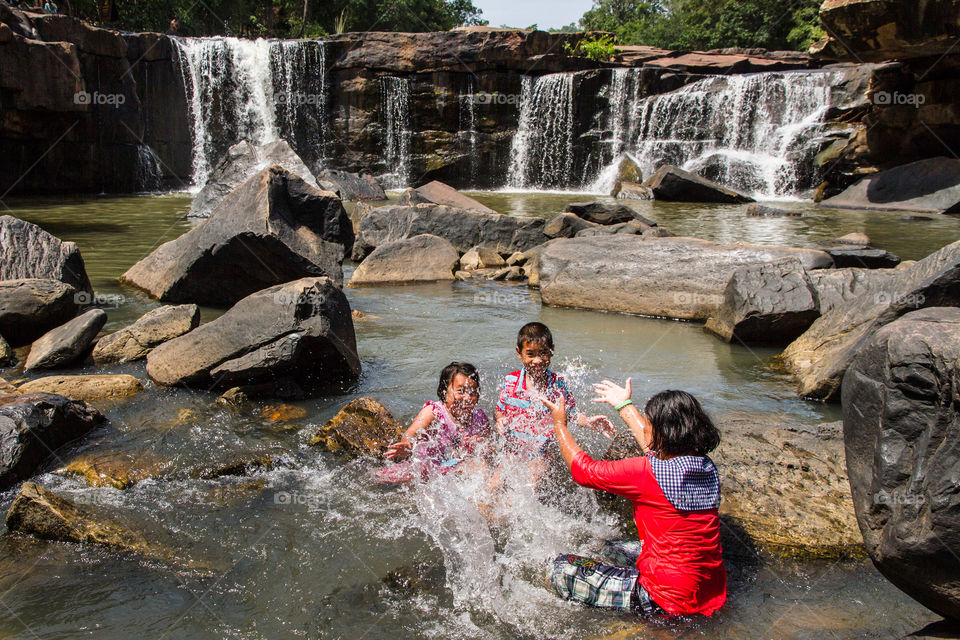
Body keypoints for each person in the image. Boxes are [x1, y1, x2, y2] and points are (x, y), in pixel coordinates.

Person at [541, 379, 726, 617]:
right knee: (608, 548)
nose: (644, 428)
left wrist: (559, 423)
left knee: (559, 569)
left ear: (663, 433)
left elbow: (583, 471)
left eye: (648, 424)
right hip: (712, 592)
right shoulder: (706, 467)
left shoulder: (646, 472)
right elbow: (654, 447)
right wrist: (624, 405)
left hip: (666, 600)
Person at [495, 322, 614, 462]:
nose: (537, 360)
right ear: (519, 353)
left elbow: (572, 414)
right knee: (494, 483)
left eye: (543, 353)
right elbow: (500, 409)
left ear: (552, 350)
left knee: (536, 476)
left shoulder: (558, 385)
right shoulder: (510, 381)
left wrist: (587, 421)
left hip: (541, 452)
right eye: (530, 354)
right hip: (512, 449)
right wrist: (500, 419)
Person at [378, 362, 490, 483]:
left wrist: (482, 445)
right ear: (444, 391)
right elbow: (411, 433)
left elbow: (490, 446)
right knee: (380, 478)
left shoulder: (479, 417)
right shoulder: (434, 412)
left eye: (472, 392)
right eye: (461, 391)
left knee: (482, 466)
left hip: (458, 470)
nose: (468, 398)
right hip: (428, 471)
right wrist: (408, 445)